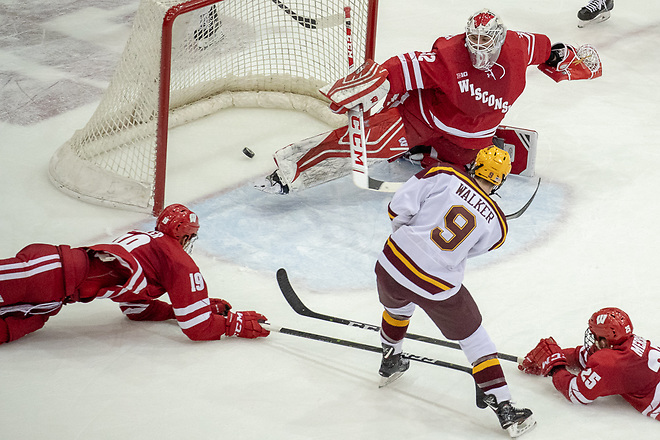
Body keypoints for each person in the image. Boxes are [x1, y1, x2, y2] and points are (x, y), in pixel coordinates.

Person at [257, 8, 601, 195]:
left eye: (486, 45)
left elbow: (550, 51)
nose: (478, 52)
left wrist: (567, 58)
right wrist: (377, 82)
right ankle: (290, 171)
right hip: (422, 119)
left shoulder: (519, 46)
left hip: (471, 138)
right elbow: (404, 66)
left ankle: (424, 155)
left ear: (500, 42)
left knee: (456, 187)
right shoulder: (450, 54)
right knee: (365, 142)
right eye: (473, 43)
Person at [374, 145, 535, 438]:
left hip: (392, 263)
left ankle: (390, 358)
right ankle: (503, 405)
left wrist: (409, 240)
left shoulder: (442, 174)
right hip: (436, 282)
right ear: (500, 181)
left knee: (397, 307)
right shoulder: (498, 224)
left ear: (474, 165)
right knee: (474, 337)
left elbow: (398, 207)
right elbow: (470, 251)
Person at [0, 203, 269, 344]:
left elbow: (136, 309)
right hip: (45, 274)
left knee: (23, 325)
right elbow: (197, 329)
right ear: (184, 234)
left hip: (53, 289)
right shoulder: (178, 262)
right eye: (191, 236)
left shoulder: (143, 240)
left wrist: (183, 309)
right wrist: (230, 323)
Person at [518, 307, 660, 420]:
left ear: (604, 340)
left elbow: (576, 393)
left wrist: (554, 367)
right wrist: (555, 354)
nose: (592, 339)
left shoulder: (611, 363)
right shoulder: (626, 343)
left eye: (595, 336)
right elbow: (584, 356)